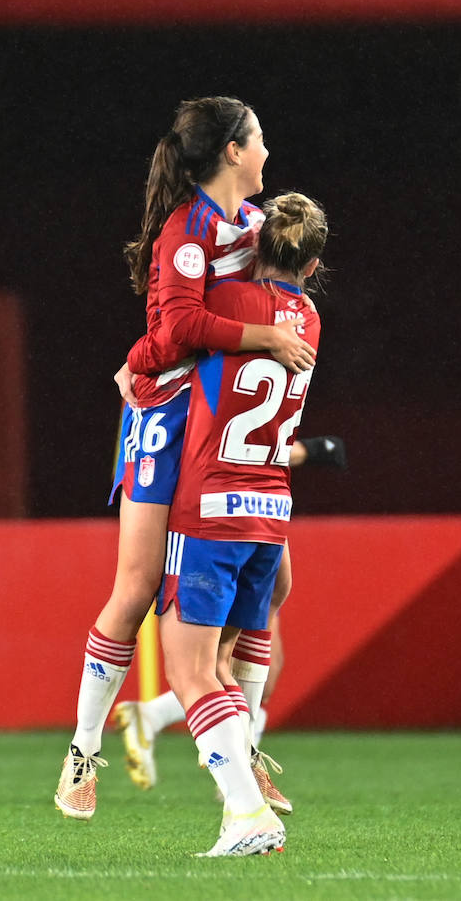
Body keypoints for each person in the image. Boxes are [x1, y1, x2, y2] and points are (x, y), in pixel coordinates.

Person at [55, 96, 313, 823]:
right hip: (164, 417)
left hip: (222, 419)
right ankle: (82, 749)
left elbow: (278, 298)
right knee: (136, 587)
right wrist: (255, 343)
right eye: (260, 138)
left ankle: (244, 740)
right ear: (233, 151)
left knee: (274, 581)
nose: (268, 150)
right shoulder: (188, 230)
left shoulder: (257, 228)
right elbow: (176, 332)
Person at [151, 190, 328, 856]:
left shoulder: (228, 302)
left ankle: (246, 809)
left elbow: (181, 321)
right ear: (311, 267)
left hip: (213, 504)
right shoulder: (308, 318)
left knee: (188, 668)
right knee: (225, 657)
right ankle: (245, 781)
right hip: (271, 510)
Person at [111, 434, 348, 806]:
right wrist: (314, 451)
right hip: (221, 516)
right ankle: (241, 784)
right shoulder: (188, 385)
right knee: (212, 665)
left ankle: (169, 726)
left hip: (253, 509)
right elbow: (226, 438)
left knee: (250, 672)